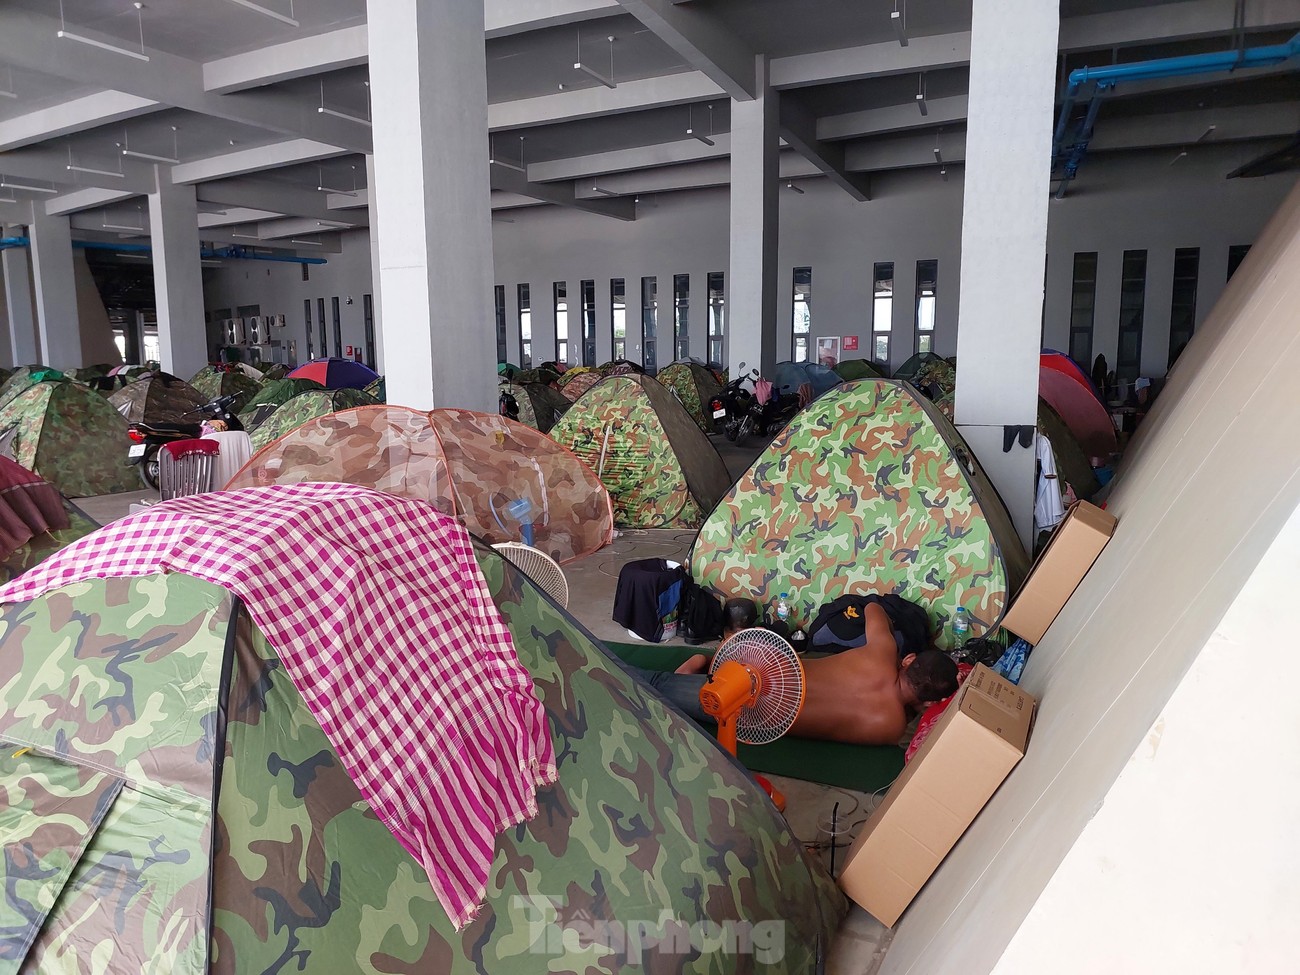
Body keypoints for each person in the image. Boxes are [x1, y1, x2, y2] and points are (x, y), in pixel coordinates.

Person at [624, 599, 957, 747]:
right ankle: (699, 670)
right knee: (670, 690)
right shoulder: (892, 729)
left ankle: (702, 665)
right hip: (759, 719)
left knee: (651, 685)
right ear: (929, 703)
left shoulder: (883, 653)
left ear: (908, 660)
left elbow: (873, 607)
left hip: (755, 675)